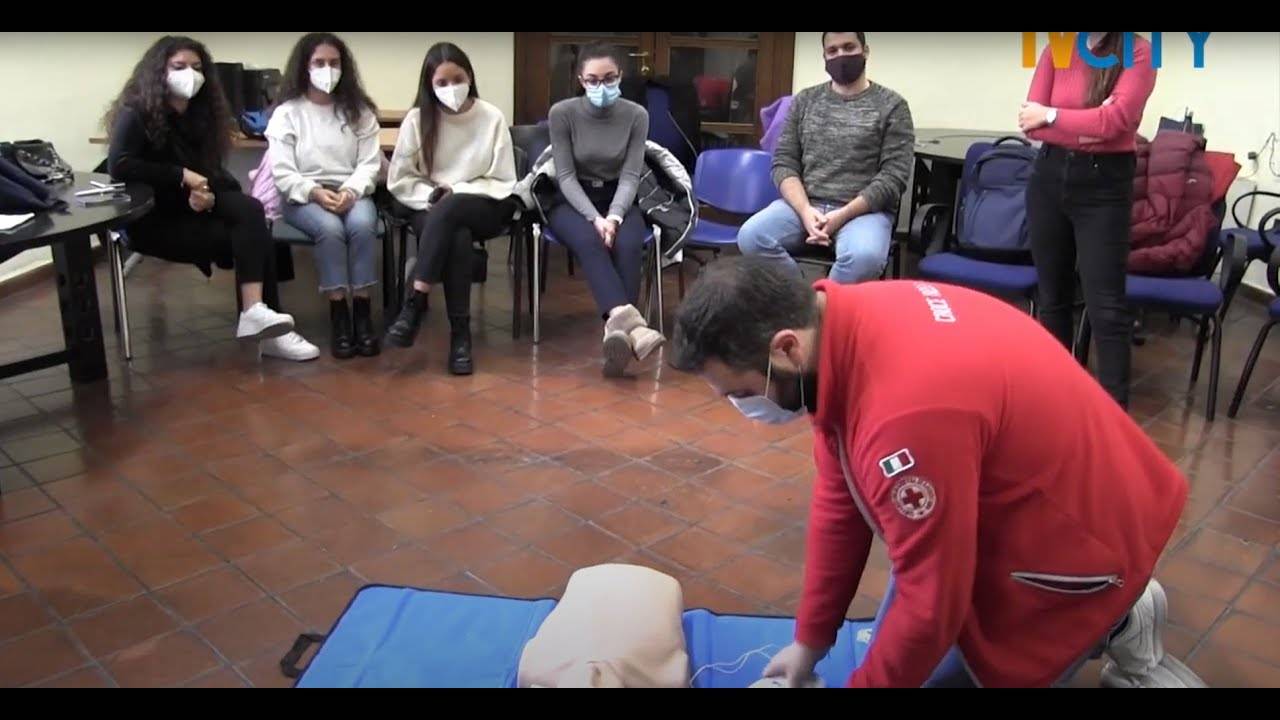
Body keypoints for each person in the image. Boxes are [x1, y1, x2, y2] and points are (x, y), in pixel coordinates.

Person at [669, 257, 1203, 689]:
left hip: (1083, 538)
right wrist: (811, 640)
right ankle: (1119, 610)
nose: (744, 406)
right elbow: (842, 501)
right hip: (1050, 489)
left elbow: (931, 605)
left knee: (937, 657)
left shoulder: (904, 416)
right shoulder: (838, 320)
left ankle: (1110, 609)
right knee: (907, 640)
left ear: (786, 346)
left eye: (741, 392)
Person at [106, 35, 318, 362]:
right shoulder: (136, 114)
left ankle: (255, 312)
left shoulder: (200, 115)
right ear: (158, 72)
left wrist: (204, 193)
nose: (189, 74)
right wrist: (182, 176)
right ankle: (262, 322)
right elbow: (119, 165)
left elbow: (210, 173)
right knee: (255, 233)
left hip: (191, 209)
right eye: (178, 66)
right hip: (153, 220)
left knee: (252, 212)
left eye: (196, 67)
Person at [1020, 32, 1158, 408]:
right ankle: (1056, 401)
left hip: (1104, 185)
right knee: (1052, 300)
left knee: (1106, 307)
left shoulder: (1140, 53)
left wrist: (1053, 116)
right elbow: (1029, 123)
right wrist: (1086, 123)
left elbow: (1115, 123)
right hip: (1048, 178)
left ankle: (1114, 418)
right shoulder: (1057, 49)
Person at [737, 32, 914, 285]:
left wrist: (841, 216)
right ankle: (806, 301)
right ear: (824, 56)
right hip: (804, 207)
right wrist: (805, 210)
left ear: (865, 50)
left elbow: (893, 178)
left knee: (865, 258)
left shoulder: (893, 106)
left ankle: (824, 310)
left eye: (848, 47)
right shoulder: (805, 101)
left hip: (862, 213)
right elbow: (784, 163)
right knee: (751, 237)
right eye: (833, 51)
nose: (841, 55)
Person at [385, 42, 518, 376]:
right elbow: (400, 179)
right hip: (427, 204)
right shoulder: (418, 120)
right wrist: (433, 195)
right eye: (441, 83)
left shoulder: (491, 117)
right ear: (429, 86)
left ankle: (415, 301)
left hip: (485, 203)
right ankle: (460, 336)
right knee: (455, 234)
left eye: (456, 79)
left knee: (455, 209)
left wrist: (455, 190)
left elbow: (503, 178)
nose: (450, 89)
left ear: (470, 77)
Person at [545, 44, 665, 378]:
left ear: (621, 77)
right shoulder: (562, 113)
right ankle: (632, 328)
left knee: (628, 245)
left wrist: (613, 216)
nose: (602, 86)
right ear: (581, 80)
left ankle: (616, 336)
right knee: (591, 241)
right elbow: (566, 176)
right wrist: (595, 219)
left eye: (609, 78)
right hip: (571, 198)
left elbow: (630, 175)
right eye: (593, 80)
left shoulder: (636, 115)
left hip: (619, 197)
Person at [267, 32, 383, 360]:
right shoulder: (287, 113)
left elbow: (369, 164)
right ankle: (339, 314)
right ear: (305, 67)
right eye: (319, 62)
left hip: (351, 191)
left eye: (334, 63)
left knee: (362, 224)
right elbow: (283, 172)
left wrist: (350, 190)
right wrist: (314, 192)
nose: (327, 69)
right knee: (330, 230)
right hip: (303, 197)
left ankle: (362, 310)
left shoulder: (360, 111)